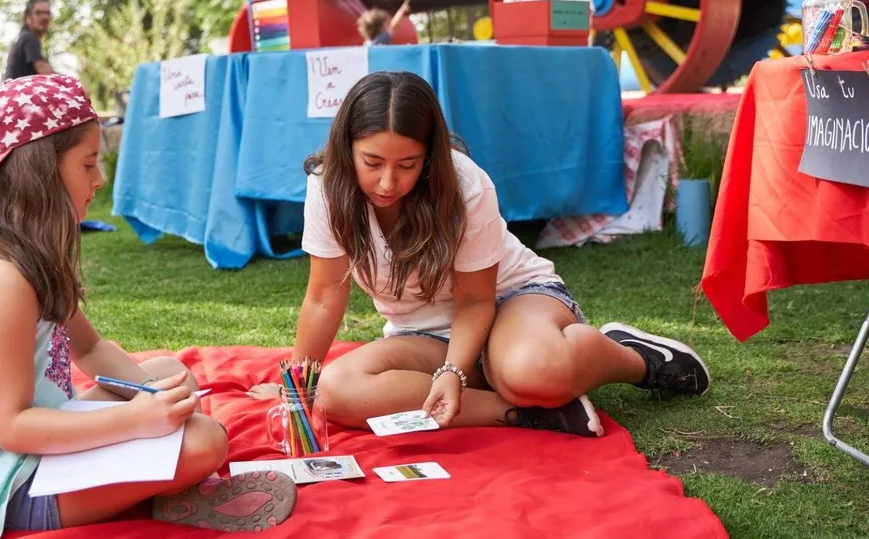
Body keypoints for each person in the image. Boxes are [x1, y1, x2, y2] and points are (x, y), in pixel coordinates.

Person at [0, 74, 296, 537]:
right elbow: (13, 428)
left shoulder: (33, 255)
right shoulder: (0, 279)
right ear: (40, 172)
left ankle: (159, 487)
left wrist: (157, 399)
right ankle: (163, 495)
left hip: (41, 446)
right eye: (89, 164)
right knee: (204, 443)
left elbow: (92, 349)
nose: (99, 181)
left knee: (171, 375)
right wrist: (136, 421)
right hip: (6, 488)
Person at [255, 71, 709, 438]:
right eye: (372, 163)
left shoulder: (464, 183)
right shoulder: (327, 186)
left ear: (430, 157)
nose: (388, 183)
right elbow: (323, 297)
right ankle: (528, 413)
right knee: (335, 392)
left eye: (407, 165)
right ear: (346, 147)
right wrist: (296, 388)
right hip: (423, 331)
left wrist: (454, 370)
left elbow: (476, 301)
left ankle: (636, 359)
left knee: (533, 371)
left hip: (512, 298)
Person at [3, 0, 56, 81]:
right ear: (28, 18)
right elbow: (42, 68)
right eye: (39, 13)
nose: (45, 17)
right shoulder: (28, 37)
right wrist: (73, 85)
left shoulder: (21, 37)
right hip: (18, 94)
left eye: (47, 13)